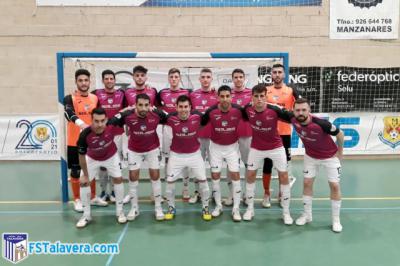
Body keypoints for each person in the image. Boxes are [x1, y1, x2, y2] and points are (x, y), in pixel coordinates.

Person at [108, 94, 166, 221]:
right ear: (135, 105)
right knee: (133, 177)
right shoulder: (128, 116)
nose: (143, 108)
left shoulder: (155, 115)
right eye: (140, 105)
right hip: (134, 150)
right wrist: (122, 112)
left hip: (152, 149)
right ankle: (134, 208)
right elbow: (111, 121)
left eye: (146, 105)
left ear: (150, 105)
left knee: (155, 176)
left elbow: (170, 117)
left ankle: (158, 207)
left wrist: (157, 109)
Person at [241, 84, 293, 224]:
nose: (259, 99)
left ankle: (286, 213)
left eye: (262, 96)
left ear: (266, 96)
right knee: (250, 174)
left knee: (283, 175)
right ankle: (250, 209)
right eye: (256, 96)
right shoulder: (247, 109)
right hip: (256, 148)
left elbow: (292, 118)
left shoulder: (275, 110)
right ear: (252, 97)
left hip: (276, 147)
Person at [290, 98, 344, 233]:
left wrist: (340, 152)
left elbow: (340, 134)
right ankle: (307, 215)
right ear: (293, 111)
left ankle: (336, 220)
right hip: (311, 157)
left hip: (330, 157)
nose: (300, 112)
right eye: (297, 110)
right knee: (307, 183)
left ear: (309, 110)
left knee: (335, 185)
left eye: (304, 110)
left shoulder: (322, 124)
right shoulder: (293, 119)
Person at [63, 69, 107, 212]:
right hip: (74, 141)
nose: (83, 83)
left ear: (89, 82)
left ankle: (93, 197)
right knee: (76, 171)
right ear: (76, 82)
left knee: (91, 170)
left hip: (91, 141)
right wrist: (80, 123)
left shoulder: (95, 98)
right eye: (80, 80)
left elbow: (99, 117)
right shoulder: (70, 98)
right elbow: (68, 113)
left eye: (86, 80)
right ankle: (77, 199)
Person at [163, 95, 212, 221]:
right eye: (181, 107)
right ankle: (171, 207)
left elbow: (211, 113)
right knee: (170, 183)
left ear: (190, 107)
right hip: (176, 155)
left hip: (194, 155)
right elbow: (156, 113)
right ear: (176, 107)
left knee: (203, 181)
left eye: (186, 107)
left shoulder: (197, 117)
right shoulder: (171, 118)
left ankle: (205, 207)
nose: (183, 110)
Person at [76, 108, 126, 228]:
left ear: (107, 120)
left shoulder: (112, 123)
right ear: (91, 120)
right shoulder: (84, 135)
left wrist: (132, 108)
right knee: (83, 183)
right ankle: (86, 215)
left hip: (111, 156)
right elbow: (81, 157)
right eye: (96, 121)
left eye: (102, 121)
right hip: (92, 158)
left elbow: (124, 113)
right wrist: (86, 175)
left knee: (118, 179)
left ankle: (120, 212)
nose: (100, 124)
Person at [201, 85, 243, 222]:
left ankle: (236, 209)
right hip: (216, 148)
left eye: (227, 96)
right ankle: (218, 206)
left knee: (236, 176)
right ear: (217, 97)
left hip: (232, 148)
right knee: (215, 176)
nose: (225, 99)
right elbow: (199, 122)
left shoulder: (239, 110)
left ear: (231, 96)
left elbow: (253, 116)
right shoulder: (211, 111)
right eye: (222, 96)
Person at [262, 63, 300, 208]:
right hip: (268, 133)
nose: (277, 75)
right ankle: (266, 194)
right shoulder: (265, 91)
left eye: (279, 72)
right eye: (274, 72)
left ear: (284, 75)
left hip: (284, 134)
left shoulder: (291, 91)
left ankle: (281, 193)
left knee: (282, 166)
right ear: (271, 75)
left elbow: (301, 107)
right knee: (267, 165)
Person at [92, 69, 126, 202]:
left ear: (115, 80)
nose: (109, 81)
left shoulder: (121, 94)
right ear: (103, 80)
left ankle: (113, 191)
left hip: (117, 134)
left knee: (115, 164)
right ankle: (103, 192)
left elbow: (127, 110)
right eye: (106, 78)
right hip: (101, 135)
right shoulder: (96, 94)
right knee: (102, 165)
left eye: (111, 78)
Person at [157, 68, 192, 201]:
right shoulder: (162, 93)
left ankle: (185, 188)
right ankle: (169, 189)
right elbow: (156, 108)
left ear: (179, 78)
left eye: (176, 77)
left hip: (184, 128)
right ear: (168, 78)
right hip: (167, 130)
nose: (173, 79)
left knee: (186, 157)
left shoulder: (188, 92)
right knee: (167, 159)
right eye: (171, 76)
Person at [188, 68, 219, 204]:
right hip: (197, 137)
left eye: (208, 77)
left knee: (214, 166)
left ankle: (214, 192)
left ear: (211, 79)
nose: (205, 79)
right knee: (197, 166)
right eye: (203, 77)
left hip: (213, 137)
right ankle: (197, 192)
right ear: (199, 79)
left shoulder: (217, 95)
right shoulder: (193, 95)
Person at [224, 68, 252, 206]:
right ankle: (232, 194)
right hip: (230, 136)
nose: (238, 79)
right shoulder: (227, 94)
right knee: (231, 166)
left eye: (241, 76)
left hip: (247, 135)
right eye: (236, 77)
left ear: (244, 78)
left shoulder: (252, 93)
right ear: (232, 78)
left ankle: (247, 194)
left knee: (248, 165)